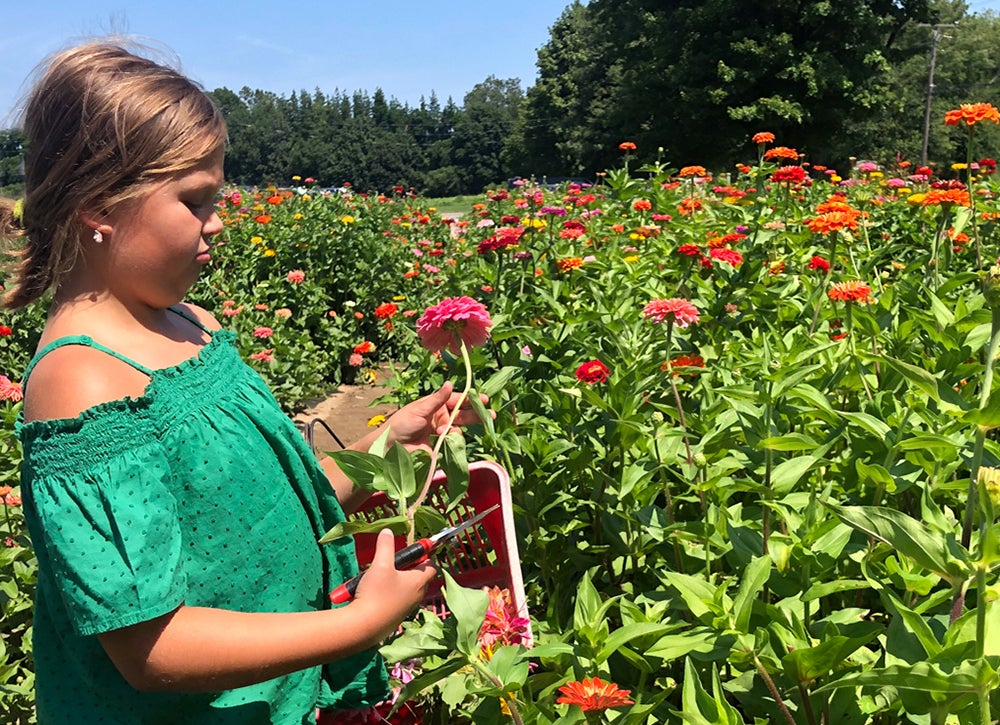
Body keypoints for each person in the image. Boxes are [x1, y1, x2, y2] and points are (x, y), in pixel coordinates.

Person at [0, 39, 483, 724]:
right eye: (195, 200)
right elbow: (150, 645)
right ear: (100, 205)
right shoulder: (84, 381)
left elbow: (260, 516)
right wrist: (359, 623)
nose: (218, 222)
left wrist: (387, 449)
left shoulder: (187, 322)